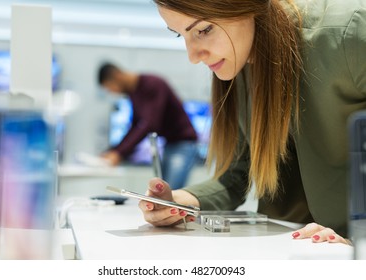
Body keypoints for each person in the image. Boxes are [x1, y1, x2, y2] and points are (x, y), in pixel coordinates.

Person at [138, 0, 366, 245]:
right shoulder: (241, 59)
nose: (193, 56)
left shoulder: (349, 32)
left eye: (203, 30)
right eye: (179, 35)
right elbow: (238, 174)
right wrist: (181, 201)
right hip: (293, 246)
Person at [98, 62, 198, 190]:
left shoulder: (153, 84)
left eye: (110, 87)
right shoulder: (134, 93)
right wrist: (114, 151)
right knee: (163, 192)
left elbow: (150, 124)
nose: (112, 92)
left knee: (171, 192)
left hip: (184, 143)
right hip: (170, 144)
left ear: (117, 76)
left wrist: (119, 154)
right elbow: (135, 126)